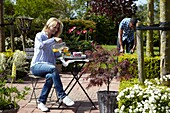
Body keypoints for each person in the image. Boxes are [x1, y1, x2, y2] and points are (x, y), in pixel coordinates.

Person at [30, 17, 74, 112]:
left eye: (57, 28)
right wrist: (53, 40)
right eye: (54, 27)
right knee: (53, 69)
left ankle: (41, 102)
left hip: (48, 68)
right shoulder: (40, 36)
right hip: (36, 66)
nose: (56, 29)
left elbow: (56, 54)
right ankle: (62, 95)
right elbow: (41, 46)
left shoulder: (54, 40)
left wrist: (62, 50)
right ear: (48, 25)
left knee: (50, 76)